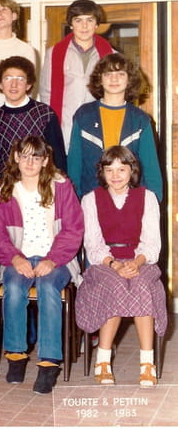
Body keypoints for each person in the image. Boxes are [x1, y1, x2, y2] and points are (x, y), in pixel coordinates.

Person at [0, 136, 83, 395]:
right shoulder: (4, 191)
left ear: (45, 161)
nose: (30, 162)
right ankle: (16, 355)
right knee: (13, 288)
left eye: (36, 157)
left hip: (57, 259)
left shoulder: (61, 187)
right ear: (16, 158)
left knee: (48, 287)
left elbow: (73, 229)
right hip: (18, 258)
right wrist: (15, 258)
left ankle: (48, 364)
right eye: (25, 156)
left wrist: (52, 259)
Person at [75, 146, 166, 387]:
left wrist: (136, 263)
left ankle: (147, 363)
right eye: (109, 170)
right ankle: (103, 360)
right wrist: (114, 264)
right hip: (105, 262)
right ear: (102, 172)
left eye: (121, 169)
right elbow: (93, 244)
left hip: (140, 260)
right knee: (115, 285)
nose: (115, 175)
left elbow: (152, 243)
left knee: (141, 284)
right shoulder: (90, 199)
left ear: (131, 171)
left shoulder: (147, 198)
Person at [67, 53, 162, 200]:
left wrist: (153, 203)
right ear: (100, 79)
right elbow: (74, 166)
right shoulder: (83, 115)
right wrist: (74, 202)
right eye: (108, 74)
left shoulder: (140, 120)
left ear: (129, 79)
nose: (114, 79)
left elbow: (151, 170)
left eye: (120, 74)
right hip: (91, 199)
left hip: (131, 201)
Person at [38, 0, 114, 150]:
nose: (84, 26)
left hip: (100, 130)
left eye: (89, 20)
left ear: (97, 24)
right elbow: (46, 94)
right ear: (71, 24)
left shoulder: (111, 55)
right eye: (78, 20)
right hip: (65, 130)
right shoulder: (54, 54)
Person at [0, 56, 66, 187]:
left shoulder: (44, 114)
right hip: (6, 187)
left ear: (28, 85)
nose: (14, 84)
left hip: (41, 185)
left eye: (20, 79)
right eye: (8, 78)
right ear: (0, 84)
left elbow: (58, 158)